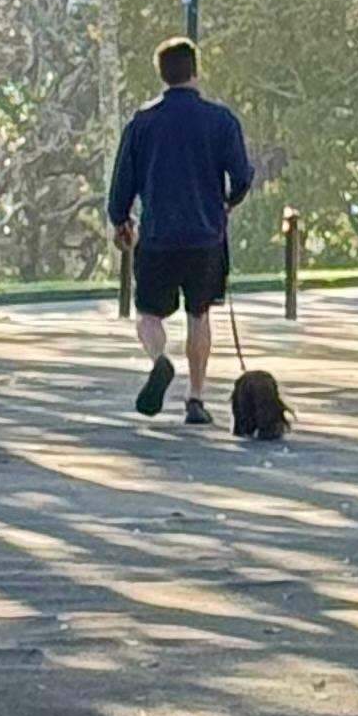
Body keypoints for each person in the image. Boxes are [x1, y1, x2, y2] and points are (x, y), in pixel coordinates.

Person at [105, 37, 253, 428]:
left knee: (148, 314)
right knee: (198, 314)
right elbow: (242, 175)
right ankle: (196, 398)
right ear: (195, 70)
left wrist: (120, 219)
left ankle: (160, 360)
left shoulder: (142, 122)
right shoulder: (220, 120)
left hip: (158, 235)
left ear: (161, 73)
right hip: (205, 235)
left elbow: (123, 180)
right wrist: (228, 202)